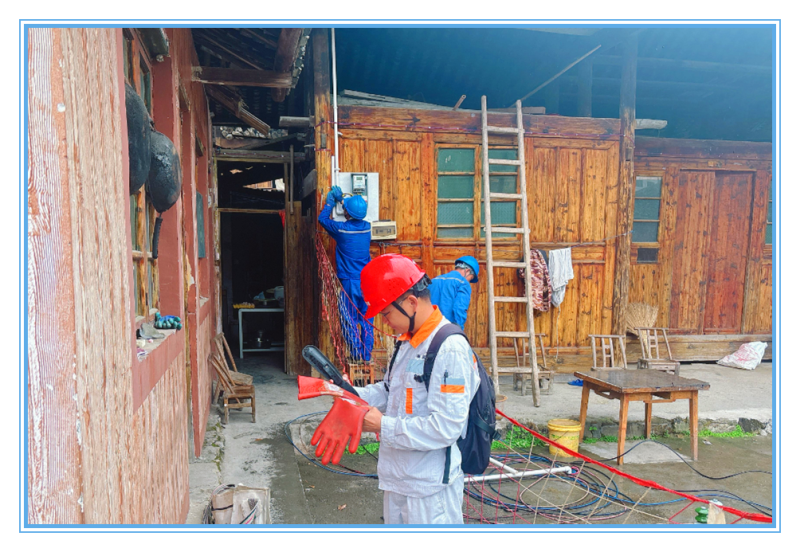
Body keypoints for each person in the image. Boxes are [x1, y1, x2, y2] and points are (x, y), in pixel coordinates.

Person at [353, 254, 480, 524]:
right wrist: (351, 395)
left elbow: (446, 427)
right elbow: (391, 390)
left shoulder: (450, 348)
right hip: (399, 478)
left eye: (386, 313)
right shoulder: (407, 342)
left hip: (430, 490)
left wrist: (382, 425)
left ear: (411, 303)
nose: (384, 321)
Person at [318, 186, 373, 361]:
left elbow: (322, 219)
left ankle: (355, 356)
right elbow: (353, 213)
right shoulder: (367, 228)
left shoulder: (341, 230)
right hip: (366, 282)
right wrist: (343, 202)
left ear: (347, 213)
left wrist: (329, 203)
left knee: (349, 317)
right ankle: (366, 357)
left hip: (349, 281)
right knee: (366, 319)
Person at [427, 255, 479, 330]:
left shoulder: (433, 281)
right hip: (446, 330)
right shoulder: (463, 283)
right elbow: (460, 308)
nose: (468, 281)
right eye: (470, 278)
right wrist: (458, 329)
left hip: (428, 328)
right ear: (467, 271)